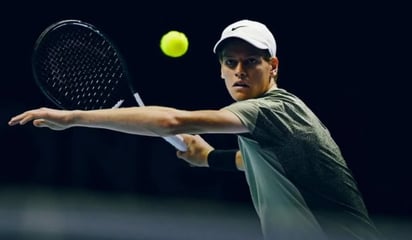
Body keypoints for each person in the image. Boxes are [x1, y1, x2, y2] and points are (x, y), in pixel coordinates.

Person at [9, 19, 381, 240]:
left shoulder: (274, 110)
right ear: (220, 69)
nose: (240, 70)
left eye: (252, 61)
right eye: (230, 62)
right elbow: (254, 161)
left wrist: (75, 117)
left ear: (273, 67)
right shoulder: (269, 126)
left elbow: (173, 122)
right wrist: (208, 158)